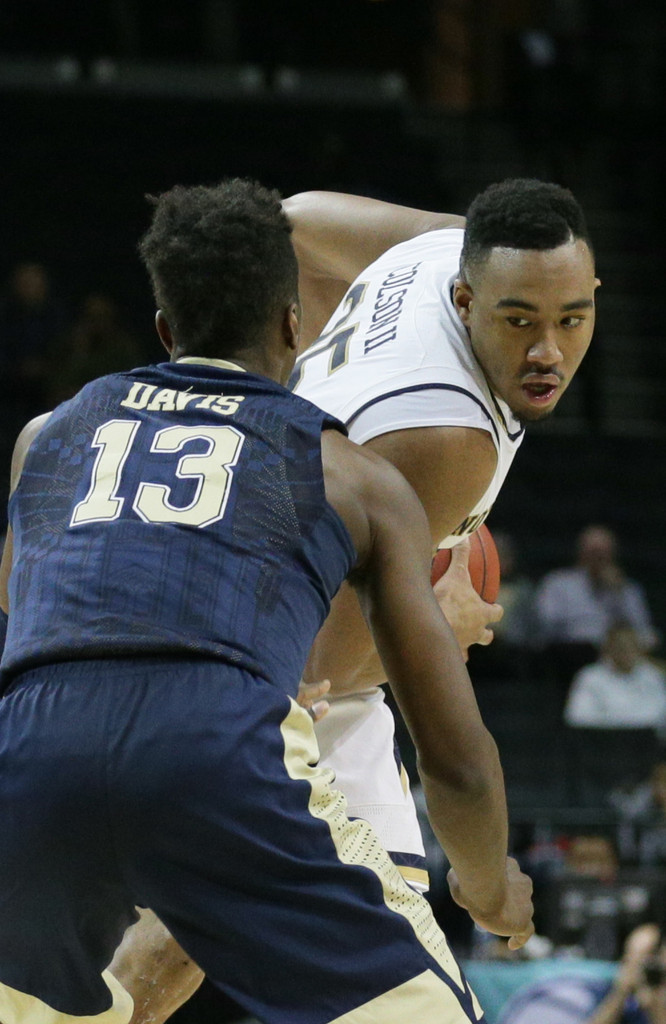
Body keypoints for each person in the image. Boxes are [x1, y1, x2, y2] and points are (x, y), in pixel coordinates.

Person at [0, 178, 534, 1024]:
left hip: (29, 752)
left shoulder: (46, 435)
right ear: (294, 325)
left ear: (166, 331)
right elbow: (457, 758)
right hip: (214, 739)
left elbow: (21, 610)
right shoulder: (349, 472)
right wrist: (492, 884)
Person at [535, 525, 659, 698]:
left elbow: (645, 632)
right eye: (593, 552)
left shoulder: (627, 589)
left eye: (603, 552)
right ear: (581, 552)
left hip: (617, 658)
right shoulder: (558, 583)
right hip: (569, 659)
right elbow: (544, 628)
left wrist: (618, 594)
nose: (598, 558)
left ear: (613, 554)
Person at [564, 623, 666, 732]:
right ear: (608, 648)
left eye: (632, 645)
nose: (627, 651)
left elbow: (662, 713)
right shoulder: (590, 677)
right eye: (621, 646)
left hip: (648, 743)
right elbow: (577, 717)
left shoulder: (652, 675)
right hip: (606, 741)